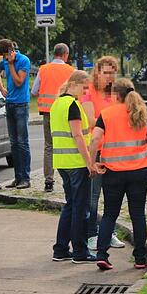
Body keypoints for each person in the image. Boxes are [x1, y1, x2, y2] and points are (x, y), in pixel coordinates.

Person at [88, 78, 147, 271]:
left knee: (110, 213)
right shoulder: (145, 113)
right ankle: (140, 258)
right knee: (138, 214)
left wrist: (92, 163)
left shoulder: (106, 114)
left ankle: (102, 254)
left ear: (116, 95)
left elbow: (95, 140)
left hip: (113, 172)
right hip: (140, 171)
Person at [50, 70, 98, 263]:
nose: (85, 92)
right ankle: (80, 251)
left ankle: (60, 249)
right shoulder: (72, 105)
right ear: (75, 84)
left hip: (61, 162)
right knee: (80, 208)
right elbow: (78, 135)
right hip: (76, 162)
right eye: (84, 87)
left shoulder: (57, 104)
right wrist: (89, 162)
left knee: (70, 206)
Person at [82, 56, 126, 251]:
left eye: (112, 73)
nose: (109, 77)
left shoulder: (115, 93)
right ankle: (91, 233)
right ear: (97, 72)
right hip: (97, 150)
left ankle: (109, 233)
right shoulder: (88, 91)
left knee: (112, 196)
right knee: (93, 196)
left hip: (114, 150)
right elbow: (91, 121)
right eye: (105, 72)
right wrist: (111, 118)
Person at [32, 43, 75, 193]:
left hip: (48, 112)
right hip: (66, 112)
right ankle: (69, 177)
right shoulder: (71, 71)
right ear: (65, 55)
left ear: (54, 54)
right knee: (68, 143)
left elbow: (34, 90)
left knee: (49, 146)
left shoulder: (43, 69)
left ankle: (48, 181)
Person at [0, 39, 32, 188]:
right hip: (9, 104)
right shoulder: (4, 61)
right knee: (14, 143)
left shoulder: (23, 60)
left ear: (11, 50)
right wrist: (2, 89)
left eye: (5, 54)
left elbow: (18, 82)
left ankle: (25, 178)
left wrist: (10, 64)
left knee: (22, 142)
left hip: (21, 104)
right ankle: (17, 177)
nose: (3, 58)